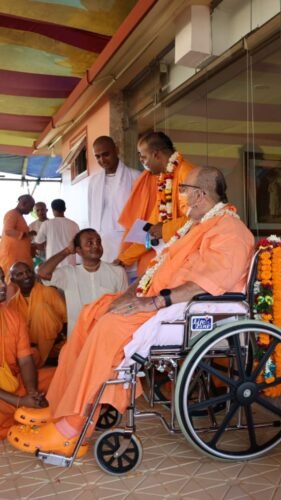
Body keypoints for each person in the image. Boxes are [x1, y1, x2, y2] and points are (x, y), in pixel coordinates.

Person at [8, 166, 254, 458]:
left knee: (109, 327)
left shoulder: (230, 230)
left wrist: (153, 302)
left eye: (184, 190)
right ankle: (61, 405)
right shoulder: (197, 225)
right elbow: (158, 270)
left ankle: (71, 428)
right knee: (91, 313)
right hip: (158, 298)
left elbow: (208, 282)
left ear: (200, 195)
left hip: (180, 308)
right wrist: (129, 295)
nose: (181, 195)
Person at [116, 131, 195, 276]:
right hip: (171, 257)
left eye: (144, 157)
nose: (142, 162)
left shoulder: (187, 174)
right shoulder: (164, 179)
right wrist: (124, 259)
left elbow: (199, 219)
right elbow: (151, 226)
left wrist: (164, 229)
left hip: (189, 260)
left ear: (157, 155)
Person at [37, 229, 128, 336]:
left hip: (107, 335)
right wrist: (67, 251)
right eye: (90, 243)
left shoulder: (117, 272)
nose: (96, 245)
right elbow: (43, 273)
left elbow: (125, 304)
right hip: (78, 337)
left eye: (98, 242)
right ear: (78, 250)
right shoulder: (69, 273)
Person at [0, 266, 54, 440]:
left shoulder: (13, 317)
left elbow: (25, 360)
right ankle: (21, 413)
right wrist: (20, 402)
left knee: (61, 376)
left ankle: (26, 410)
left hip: (14, 385)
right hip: (5, 395)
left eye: (2, 279)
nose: (2, 285)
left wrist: (32, 392)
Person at [88, 136, 140, 262]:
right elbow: (90, 211)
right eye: (97, 156)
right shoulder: (94, 181)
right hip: (102, 240)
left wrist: (137, 245)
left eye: (106, 154)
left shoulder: (135, 176)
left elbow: (141, 213)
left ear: (116, 150)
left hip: (127, 239)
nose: (102, 160)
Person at [8, 262, 66, 368]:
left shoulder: (50, 292)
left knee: (41, 309)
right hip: (30, 352)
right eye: (20, 274)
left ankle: (46, 357)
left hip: (56, 347)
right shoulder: (12, 304)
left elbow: (67, 321)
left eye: (28, 271)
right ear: (13, 281)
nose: (26, 276)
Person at [34, 199, 79, 268]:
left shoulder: (47, 224)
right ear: (65, 209)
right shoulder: (74, 224)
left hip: (53, 265)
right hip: (71, 263)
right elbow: (78, 244)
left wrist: (46, 244)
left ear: (52, 210)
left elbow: (38, 244)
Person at [0, 195, 36, 279]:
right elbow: (8, 231)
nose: (31, 210)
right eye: (31, 207)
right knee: (12, 282)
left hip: (20, 257)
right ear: (23, 203)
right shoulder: (12, 214)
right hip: (11, 258)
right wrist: (26, 234)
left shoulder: (18, 215)